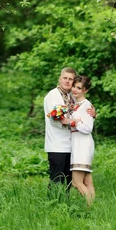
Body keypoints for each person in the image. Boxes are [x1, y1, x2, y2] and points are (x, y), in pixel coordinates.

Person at [44, 67, 96, 188]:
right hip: (57, 145)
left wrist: (93, 114)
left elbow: (82, 111)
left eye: (70, 79)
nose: (67, 81)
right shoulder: (52, 95)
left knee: (68, 182)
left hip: (71, 146)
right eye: (65, 78)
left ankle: (64, 206)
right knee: (56, 180)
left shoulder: (72, 96)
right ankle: (54, 206)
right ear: (60, 79)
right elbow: (54, 120)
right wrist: (73, 122)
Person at [70, 75, 95, 205]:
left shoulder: (86, 105)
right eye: (74, 86)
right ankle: (93, 209)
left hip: (83, 145)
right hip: (78, 144)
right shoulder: (75, 103)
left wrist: (76, 122)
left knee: (76, 182)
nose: (75, 90)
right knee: (87, 181)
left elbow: (88, 128)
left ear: (85, 90)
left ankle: (89, 208)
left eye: (79, 88)